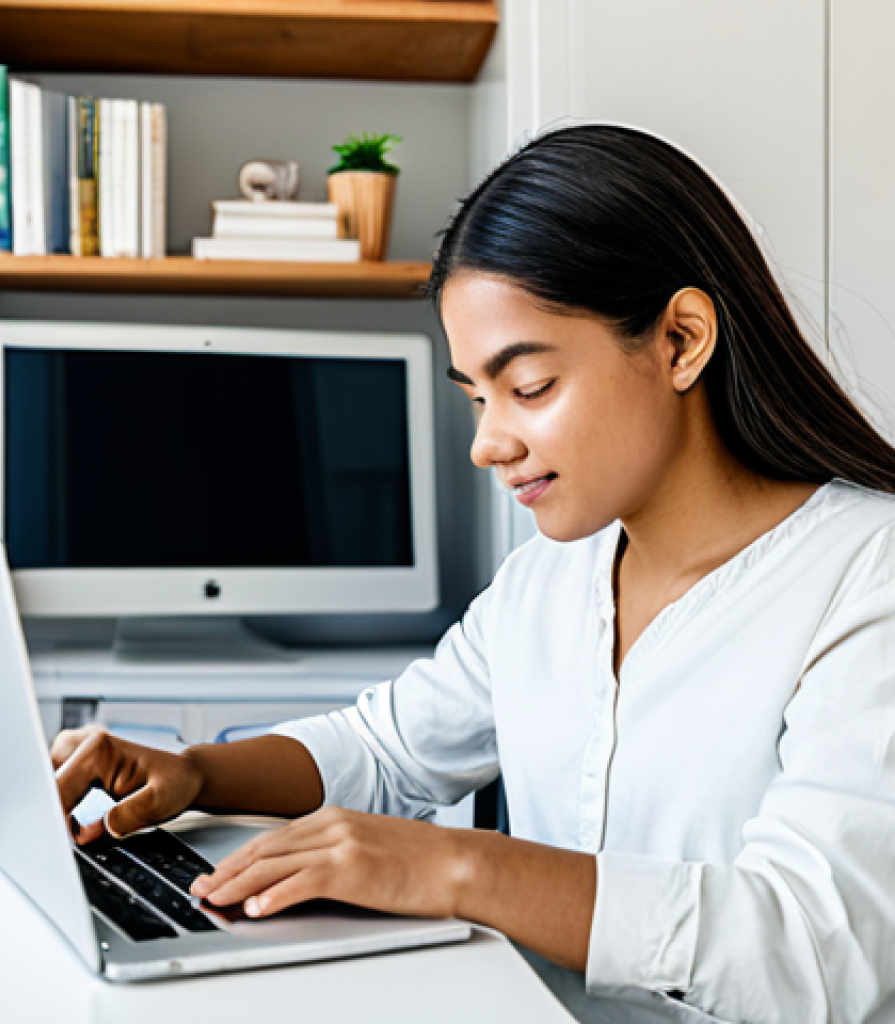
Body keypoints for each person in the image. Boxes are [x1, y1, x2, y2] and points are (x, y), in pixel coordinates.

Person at [51, 125, 895, 1023]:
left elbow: (817, 949)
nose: (488, 443)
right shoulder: (549, 578)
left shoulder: (864, 574)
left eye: (528, 386)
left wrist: (458, 866)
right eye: (476, 397)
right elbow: (386, 750)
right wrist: (194, 773)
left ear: (682, 341)